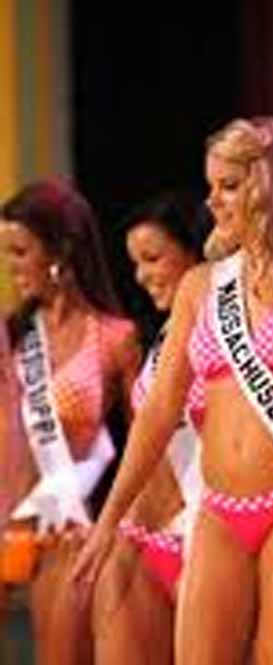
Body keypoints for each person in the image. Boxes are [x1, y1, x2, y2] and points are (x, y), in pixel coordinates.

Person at [73, 117, 273, 665]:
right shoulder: (202, 285)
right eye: (211, 185)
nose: (213, 201)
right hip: (218, 510)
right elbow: (157, 412)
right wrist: (109, 518)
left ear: (269, 184)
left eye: (229, 186)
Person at [0, 178, 141, 664]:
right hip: (7, 522)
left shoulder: (116, 338)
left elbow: (145, 450)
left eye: (20, 251)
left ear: (60, 251)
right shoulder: (12, 335)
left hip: (63, 532)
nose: (11, 266)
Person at [91, 193, 210, 664]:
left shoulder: (230, 330)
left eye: (153, 258)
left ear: (194, 250)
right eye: (135, 263)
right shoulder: (161, 338)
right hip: (141, 535)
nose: (141, 276)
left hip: (207, 536)